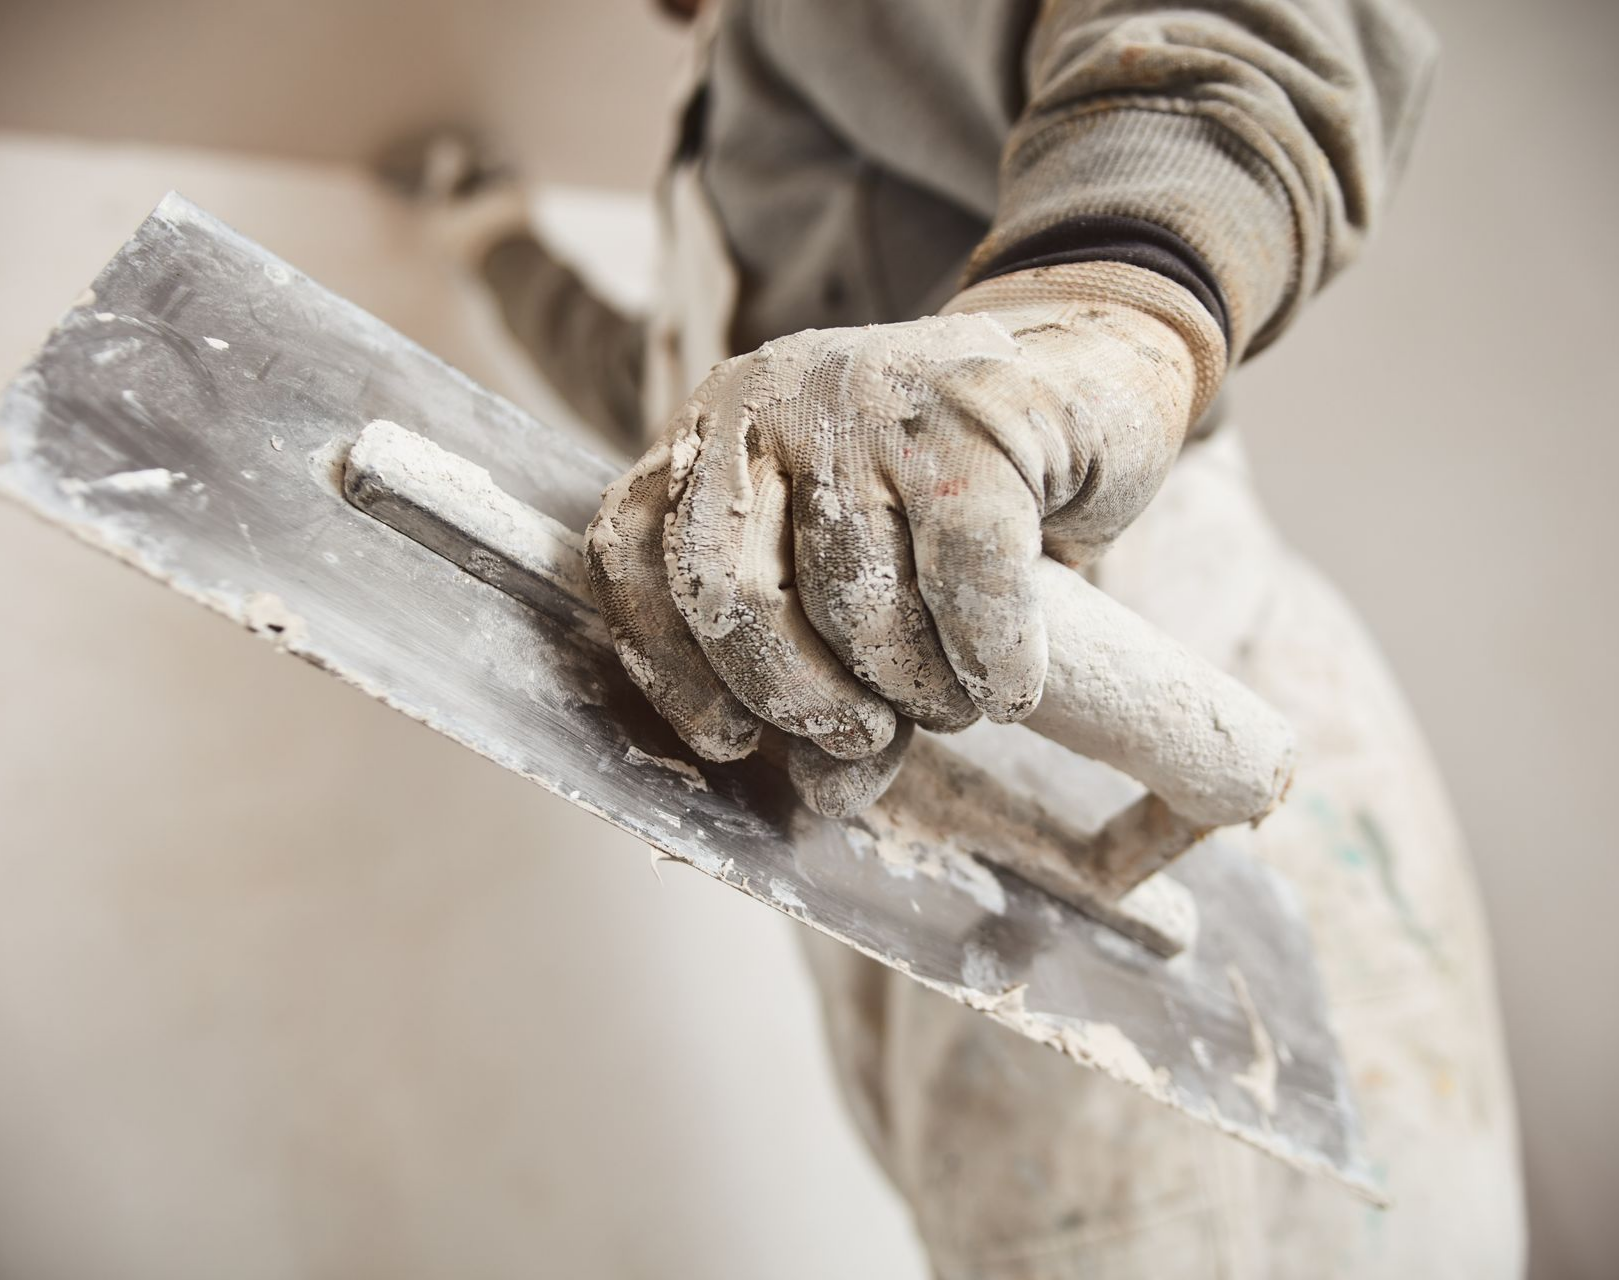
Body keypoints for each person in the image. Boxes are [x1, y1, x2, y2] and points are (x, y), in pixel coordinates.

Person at [411, 1, 1526, 1273]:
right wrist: (497, 244)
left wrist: (1089, 322)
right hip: (926, 831)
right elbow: (647, 389)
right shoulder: (714, 153)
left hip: (1150, 735)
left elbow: (1220, 48)